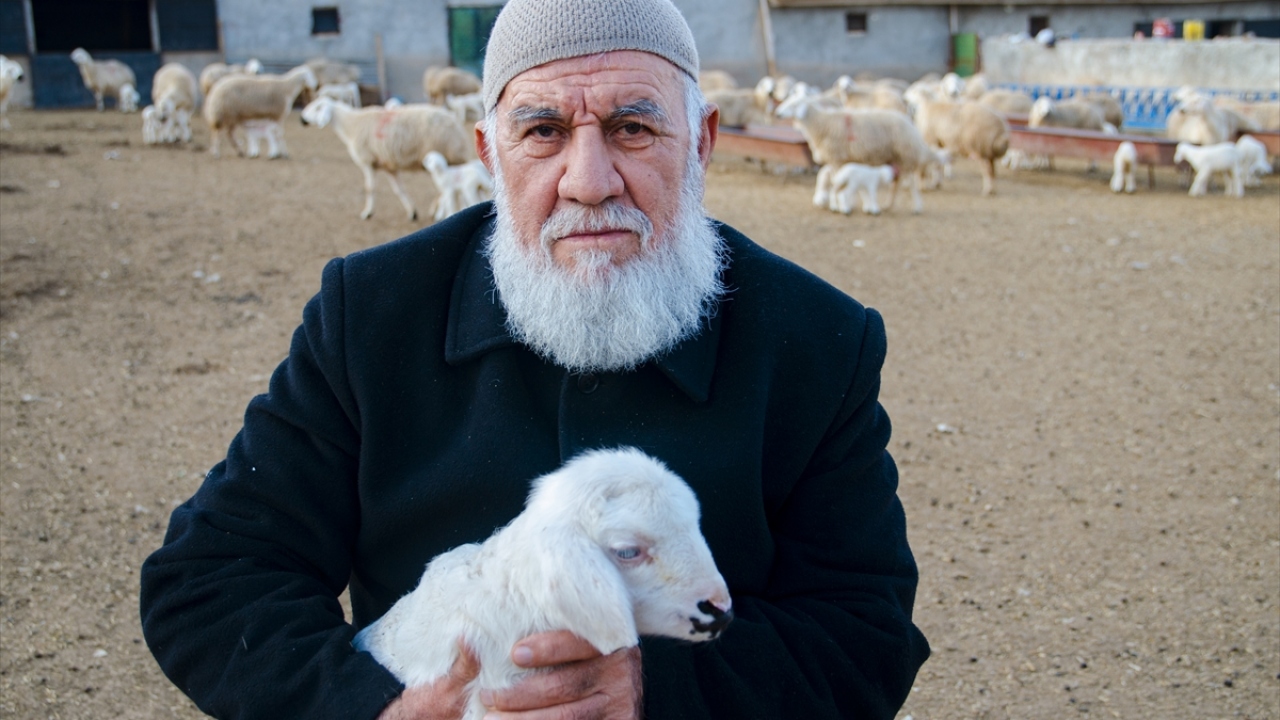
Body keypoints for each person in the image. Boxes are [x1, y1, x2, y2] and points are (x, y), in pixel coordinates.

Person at [139, 0, 930, 717]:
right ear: (490, 153)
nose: (588, 182)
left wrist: (653, 690)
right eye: (544, 131)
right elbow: (211, 580)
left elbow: (865, 633)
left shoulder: (815, 341)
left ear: (703, 142)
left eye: (632, 128)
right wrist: (377, 707)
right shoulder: (373, 315)